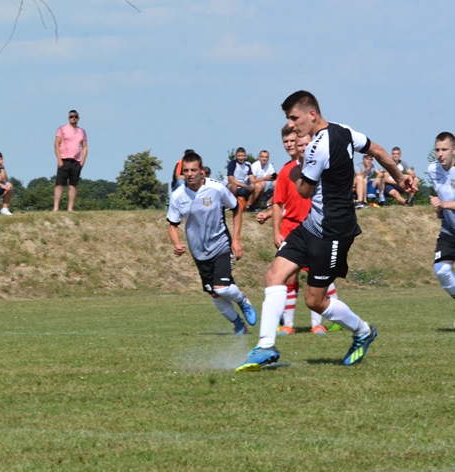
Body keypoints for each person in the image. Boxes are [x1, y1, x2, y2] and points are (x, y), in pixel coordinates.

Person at [236, 90, 415, 372]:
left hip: (332, 230)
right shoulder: (344, 131)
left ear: (311, 114)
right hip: (311, 225)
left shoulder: (318, 148)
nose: (292, 126)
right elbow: (378, 151)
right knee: (274, 275)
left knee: (315, 301)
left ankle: (364, 331)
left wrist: (297, 171)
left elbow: (305, 191)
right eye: (288, 120)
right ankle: (266, 347)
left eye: (294, 118)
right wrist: (400, 177)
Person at [256, 125, 338, 335]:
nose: (294, 146)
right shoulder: (286, 171)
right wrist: (276, 231)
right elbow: (278, 203)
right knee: (288, 277)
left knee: (317, 277)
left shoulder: (320, 167)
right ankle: (288, 325)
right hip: (291, 228)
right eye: (289, 142)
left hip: (315, 228)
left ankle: (316, 324)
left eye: (298, 142)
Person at [167, 151, 257, 335]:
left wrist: (237, 240)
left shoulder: (216, 188)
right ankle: (239, 325)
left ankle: (242, 301)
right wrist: (176, 243)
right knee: (214, 293)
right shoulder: (178, 195)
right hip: (198, 252)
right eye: (186, 170)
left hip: (221, 244)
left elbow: (236, 208)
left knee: (221, 287)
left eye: (194, 170)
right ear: (182, 172)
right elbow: (172, 224)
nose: (190, 174)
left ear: (202, 171)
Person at [428, 132, 455, 306]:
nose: (440, 154)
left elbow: (445, 201)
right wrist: (441, 208)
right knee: (442, 269)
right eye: (437, 149)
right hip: (449, 229)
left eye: (444, 149)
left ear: (454, 151)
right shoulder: (432, 169)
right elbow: (443, 194)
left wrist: (444, 204)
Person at [54, 110, 88, 212]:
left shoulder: (82, 131)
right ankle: (56, 208)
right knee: (59, 185)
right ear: (68, 118)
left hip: (76, 161)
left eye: (75, 117)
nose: (73, 118)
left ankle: (70, 209)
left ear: (78, 118)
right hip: (64, 160)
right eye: (71, 116)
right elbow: (56, 144)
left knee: (73, 185)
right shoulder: (62, 129)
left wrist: (82, 162)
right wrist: (59, 159)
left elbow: (85, 146)